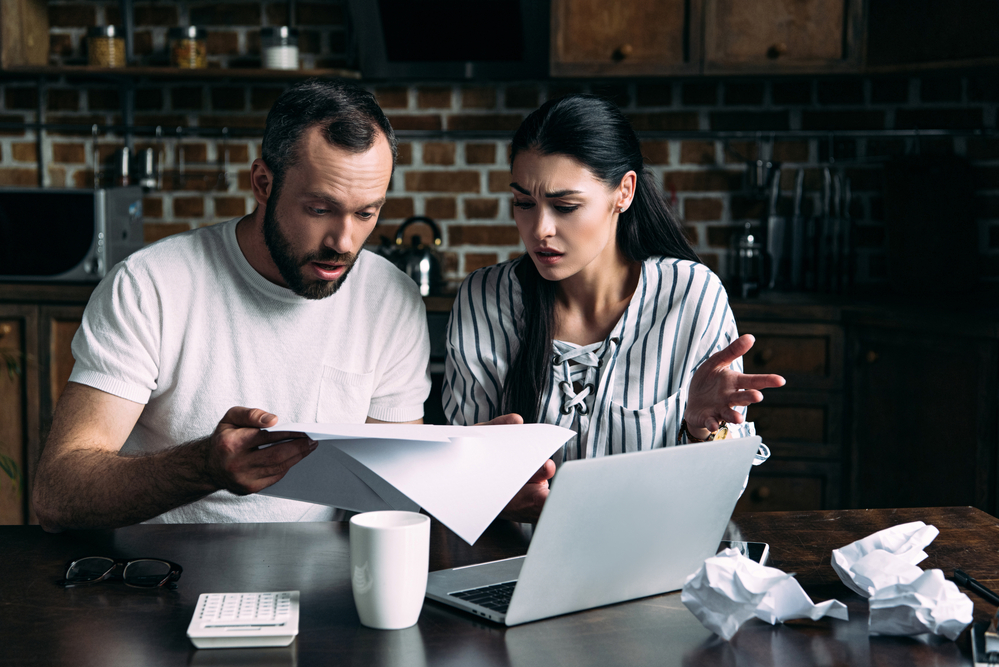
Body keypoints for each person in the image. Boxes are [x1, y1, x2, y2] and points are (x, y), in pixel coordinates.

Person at [32, 80, 431, 530]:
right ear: (263, 183)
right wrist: (204, 466)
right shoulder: (150, 285)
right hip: (157, 578)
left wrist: (477, 471)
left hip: (321, 576)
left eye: (365, 213)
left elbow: (391, 497)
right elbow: (57, 494)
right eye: (320, 209)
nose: (343, 242)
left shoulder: (391, 299)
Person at [443, 95, 785, 522]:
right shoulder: (484, 299)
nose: (540, 229)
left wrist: (701, 433)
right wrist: (477, 481)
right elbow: (458, 490)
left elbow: (717, 499)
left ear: (623, 192)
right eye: (524, 203)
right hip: (511, 568)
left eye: (566, 207)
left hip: (648, 565)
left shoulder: (692, 296)